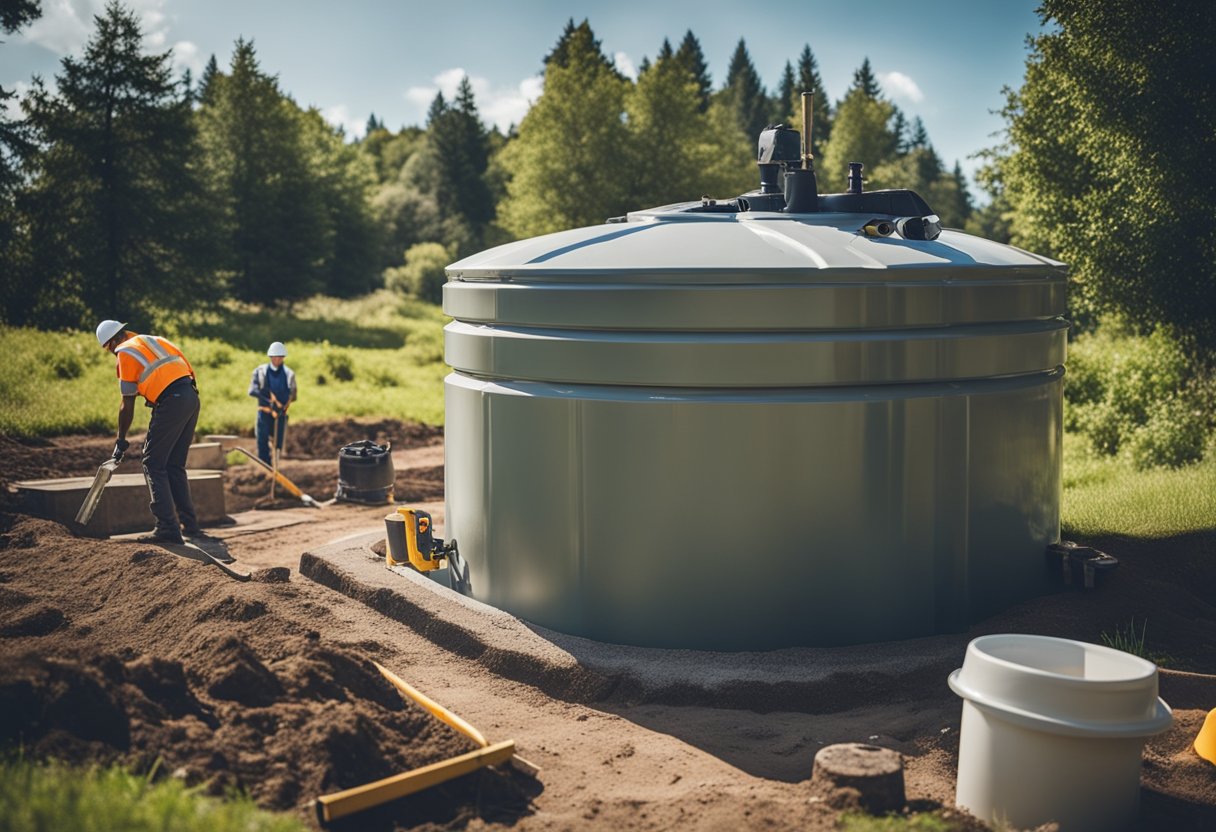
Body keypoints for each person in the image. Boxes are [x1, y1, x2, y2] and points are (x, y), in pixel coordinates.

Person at [95, 319, 203, 544]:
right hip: (190, 397)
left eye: (108, 349)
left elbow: (127, 402)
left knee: (152, 463)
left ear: (113, 341)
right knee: (174, 464)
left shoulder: (124, 350)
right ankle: (190, 525)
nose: (111, 353)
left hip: (172, 400)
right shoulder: (155, 340)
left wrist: (121, 439)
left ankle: (167, 528)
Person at [248, 341, 297, 466]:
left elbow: (293, 395)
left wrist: (283, 406)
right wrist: (270, 400)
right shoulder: (260, 372)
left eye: (280, 357)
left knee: (278, 443)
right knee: (262, 440)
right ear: (270, 357)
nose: (277, 359)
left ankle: (277, 467)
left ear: (283, 358)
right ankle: (265, 467)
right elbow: (252, 391)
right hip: (264, 413)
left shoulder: (289, 374)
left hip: (280, 414)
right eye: (274, 356)